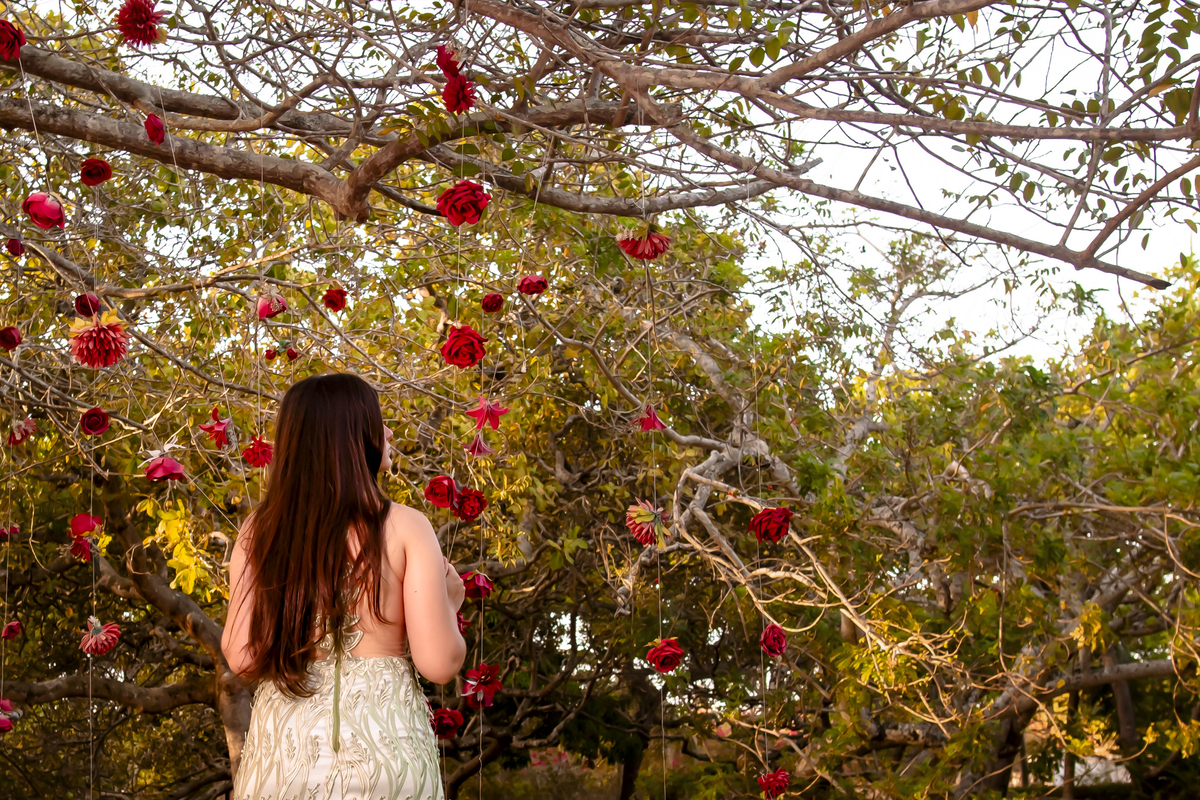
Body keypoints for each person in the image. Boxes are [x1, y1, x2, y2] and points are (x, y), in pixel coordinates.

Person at [222, 373, 466, 800]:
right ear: (353, 437)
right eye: (377, 418)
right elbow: (440, 664)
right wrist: (450, 601)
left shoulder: (258, 532)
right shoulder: (408, 526)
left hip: (284, 757)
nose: (387, 431)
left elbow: (243, 657)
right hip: (389, 752)